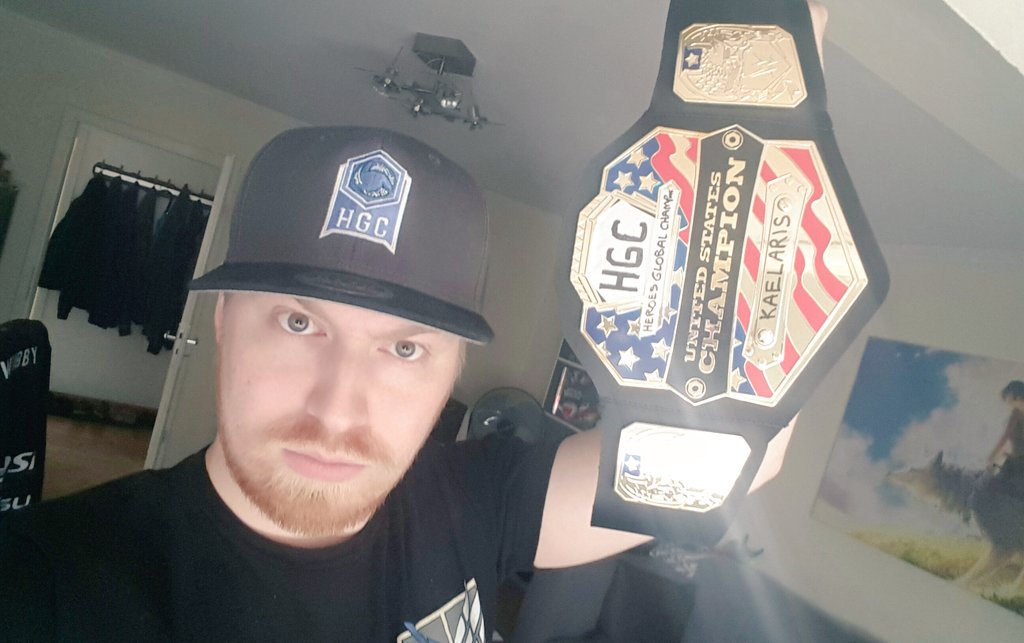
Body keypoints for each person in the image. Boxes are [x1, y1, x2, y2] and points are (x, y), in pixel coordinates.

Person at [0, 6, 828, 637]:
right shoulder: (51, 581)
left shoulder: (478, 498)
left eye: (403, 347)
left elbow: (735, 451)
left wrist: (765, 61)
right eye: (298, 323)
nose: (337, 406)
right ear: (222, 321)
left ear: (451, 369)